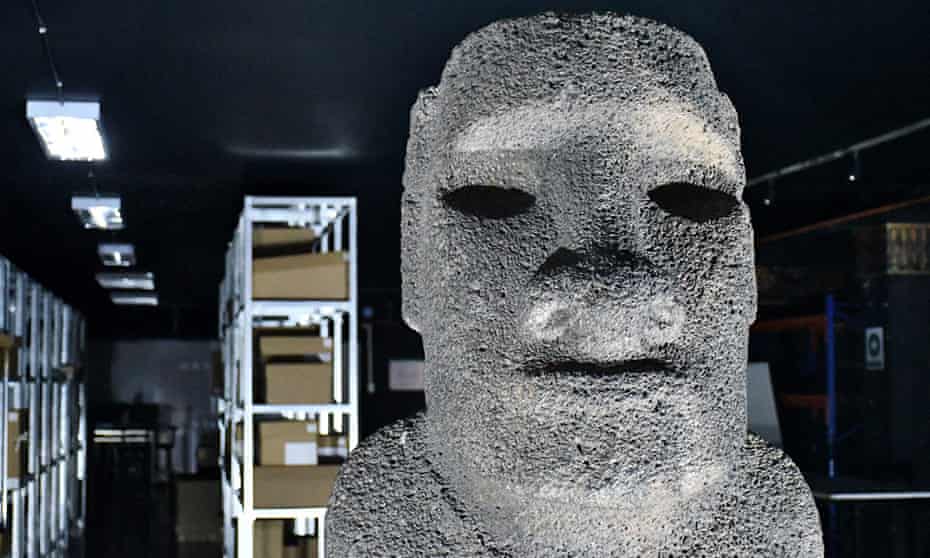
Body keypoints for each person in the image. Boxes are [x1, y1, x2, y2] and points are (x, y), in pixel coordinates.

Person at [327, 13, 823, 557]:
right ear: (414, 261)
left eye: (686, 191)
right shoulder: (384, 524)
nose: (614, 292)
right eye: (498, 190)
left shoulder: (776, 525)